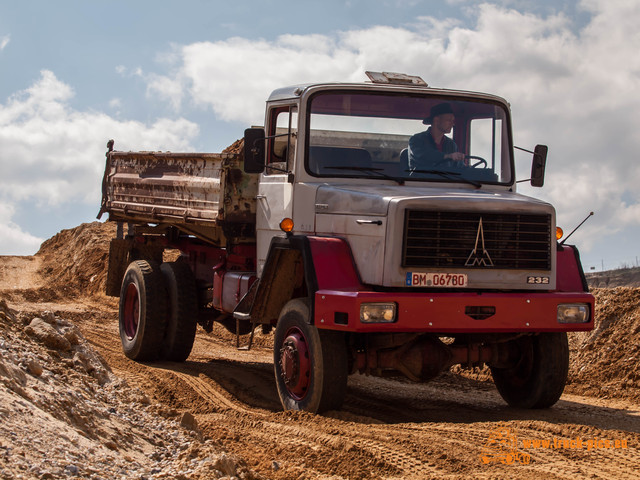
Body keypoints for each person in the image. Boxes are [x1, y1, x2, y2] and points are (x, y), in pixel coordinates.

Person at [408, 103, 467, 170]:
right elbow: (424, 156)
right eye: (449, 120)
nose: (452, 124)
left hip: (447, 180)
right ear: (436, 120)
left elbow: (460, 168)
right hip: (420, 180)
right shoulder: (416, 140)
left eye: (453, 121)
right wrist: (448, 156)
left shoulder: (452, 145)